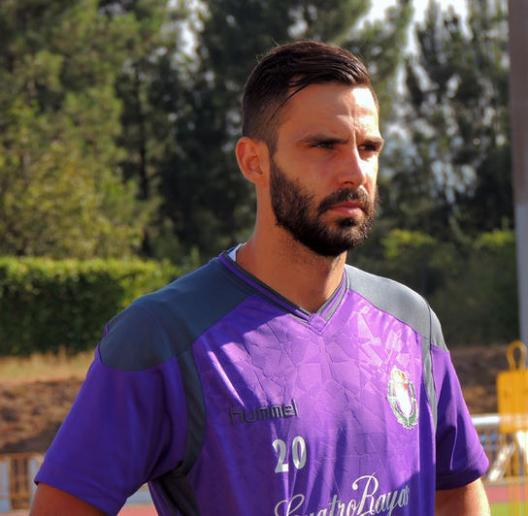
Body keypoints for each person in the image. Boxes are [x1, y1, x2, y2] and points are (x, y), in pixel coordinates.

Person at [31, 41, 490, 515]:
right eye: (324, 145)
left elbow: (457, 490)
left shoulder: (411, 324)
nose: (355, 170)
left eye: (369, 147)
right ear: (254, 161)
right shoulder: (163, 336)